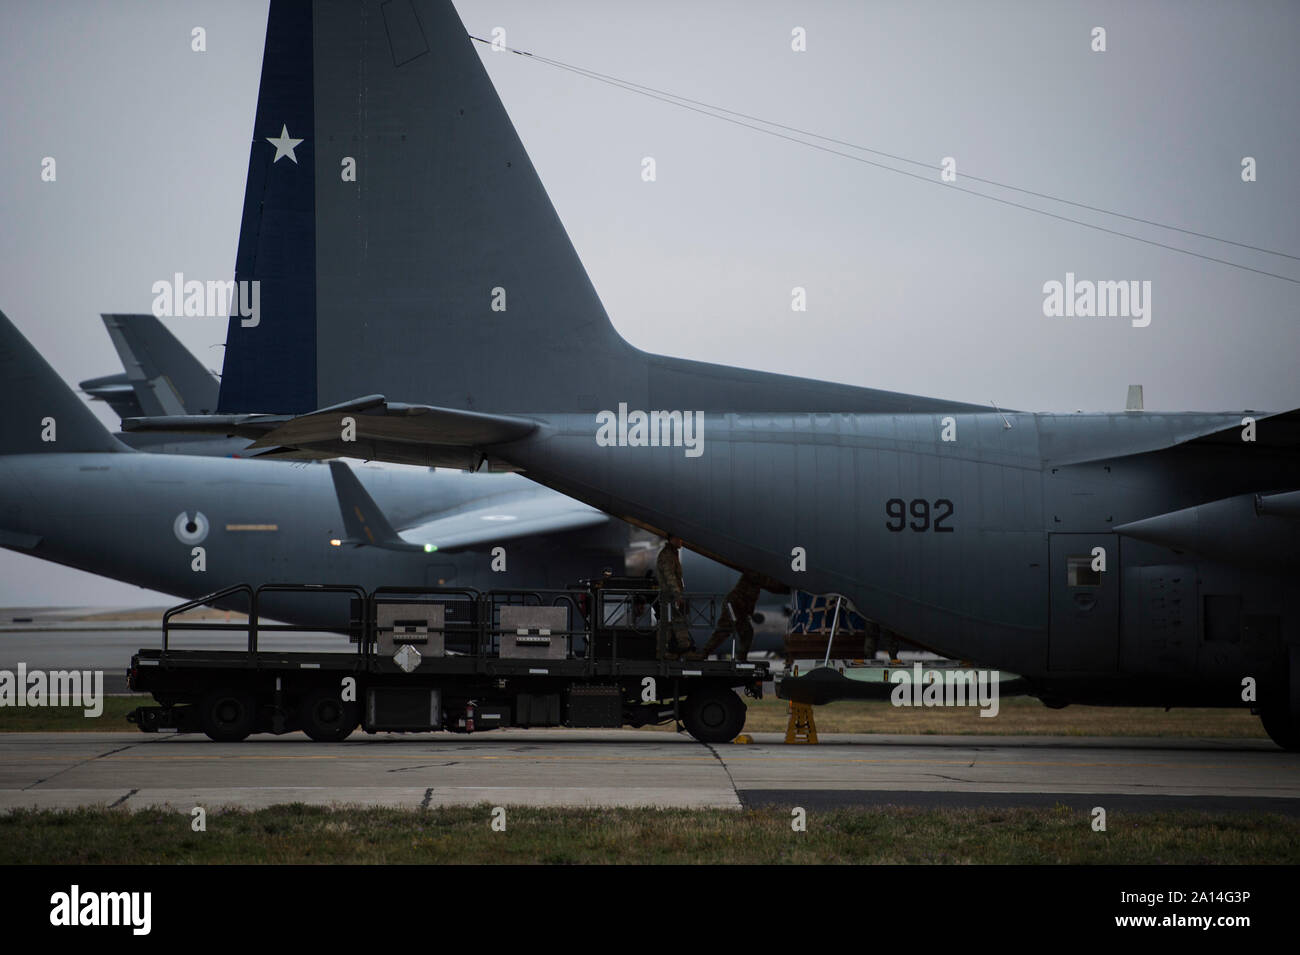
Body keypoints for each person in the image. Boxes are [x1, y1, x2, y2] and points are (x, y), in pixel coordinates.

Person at [689, 570, 762, 661]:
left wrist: (750, 613)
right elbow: (769, 584)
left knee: (747, 632)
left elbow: (750, 600)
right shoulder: (755, 572)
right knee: (724, 630)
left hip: (741, 609)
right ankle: (703, 653)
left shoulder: (759, 578)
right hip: (732, 605)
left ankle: (742, 658)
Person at [654, 536, 694, 659]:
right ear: (672, 539)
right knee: (668, 623)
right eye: (679, 539)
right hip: (669, 596)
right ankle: (663, 652)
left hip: (672, 595)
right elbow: (670, 576)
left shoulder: (672, 554)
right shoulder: (667, 556)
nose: (681, 541)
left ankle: (684, 649)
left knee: (676, 621)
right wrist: (677, 595)